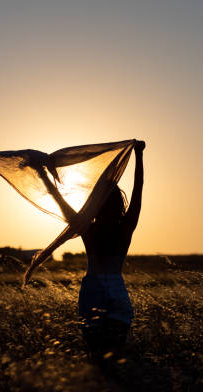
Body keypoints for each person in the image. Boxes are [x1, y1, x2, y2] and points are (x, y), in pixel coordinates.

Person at [36, 140, 145, 363]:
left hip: (93, 291)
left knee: (97, 360)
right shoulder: (126, 226)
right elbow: (138, 188)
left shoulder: (88, 228)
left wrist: (43, 175)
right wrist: (139, 156)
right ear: (118, 202)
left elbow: (59, 201)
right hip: (117, 292)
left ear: (95, 204)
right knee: (117, 360)